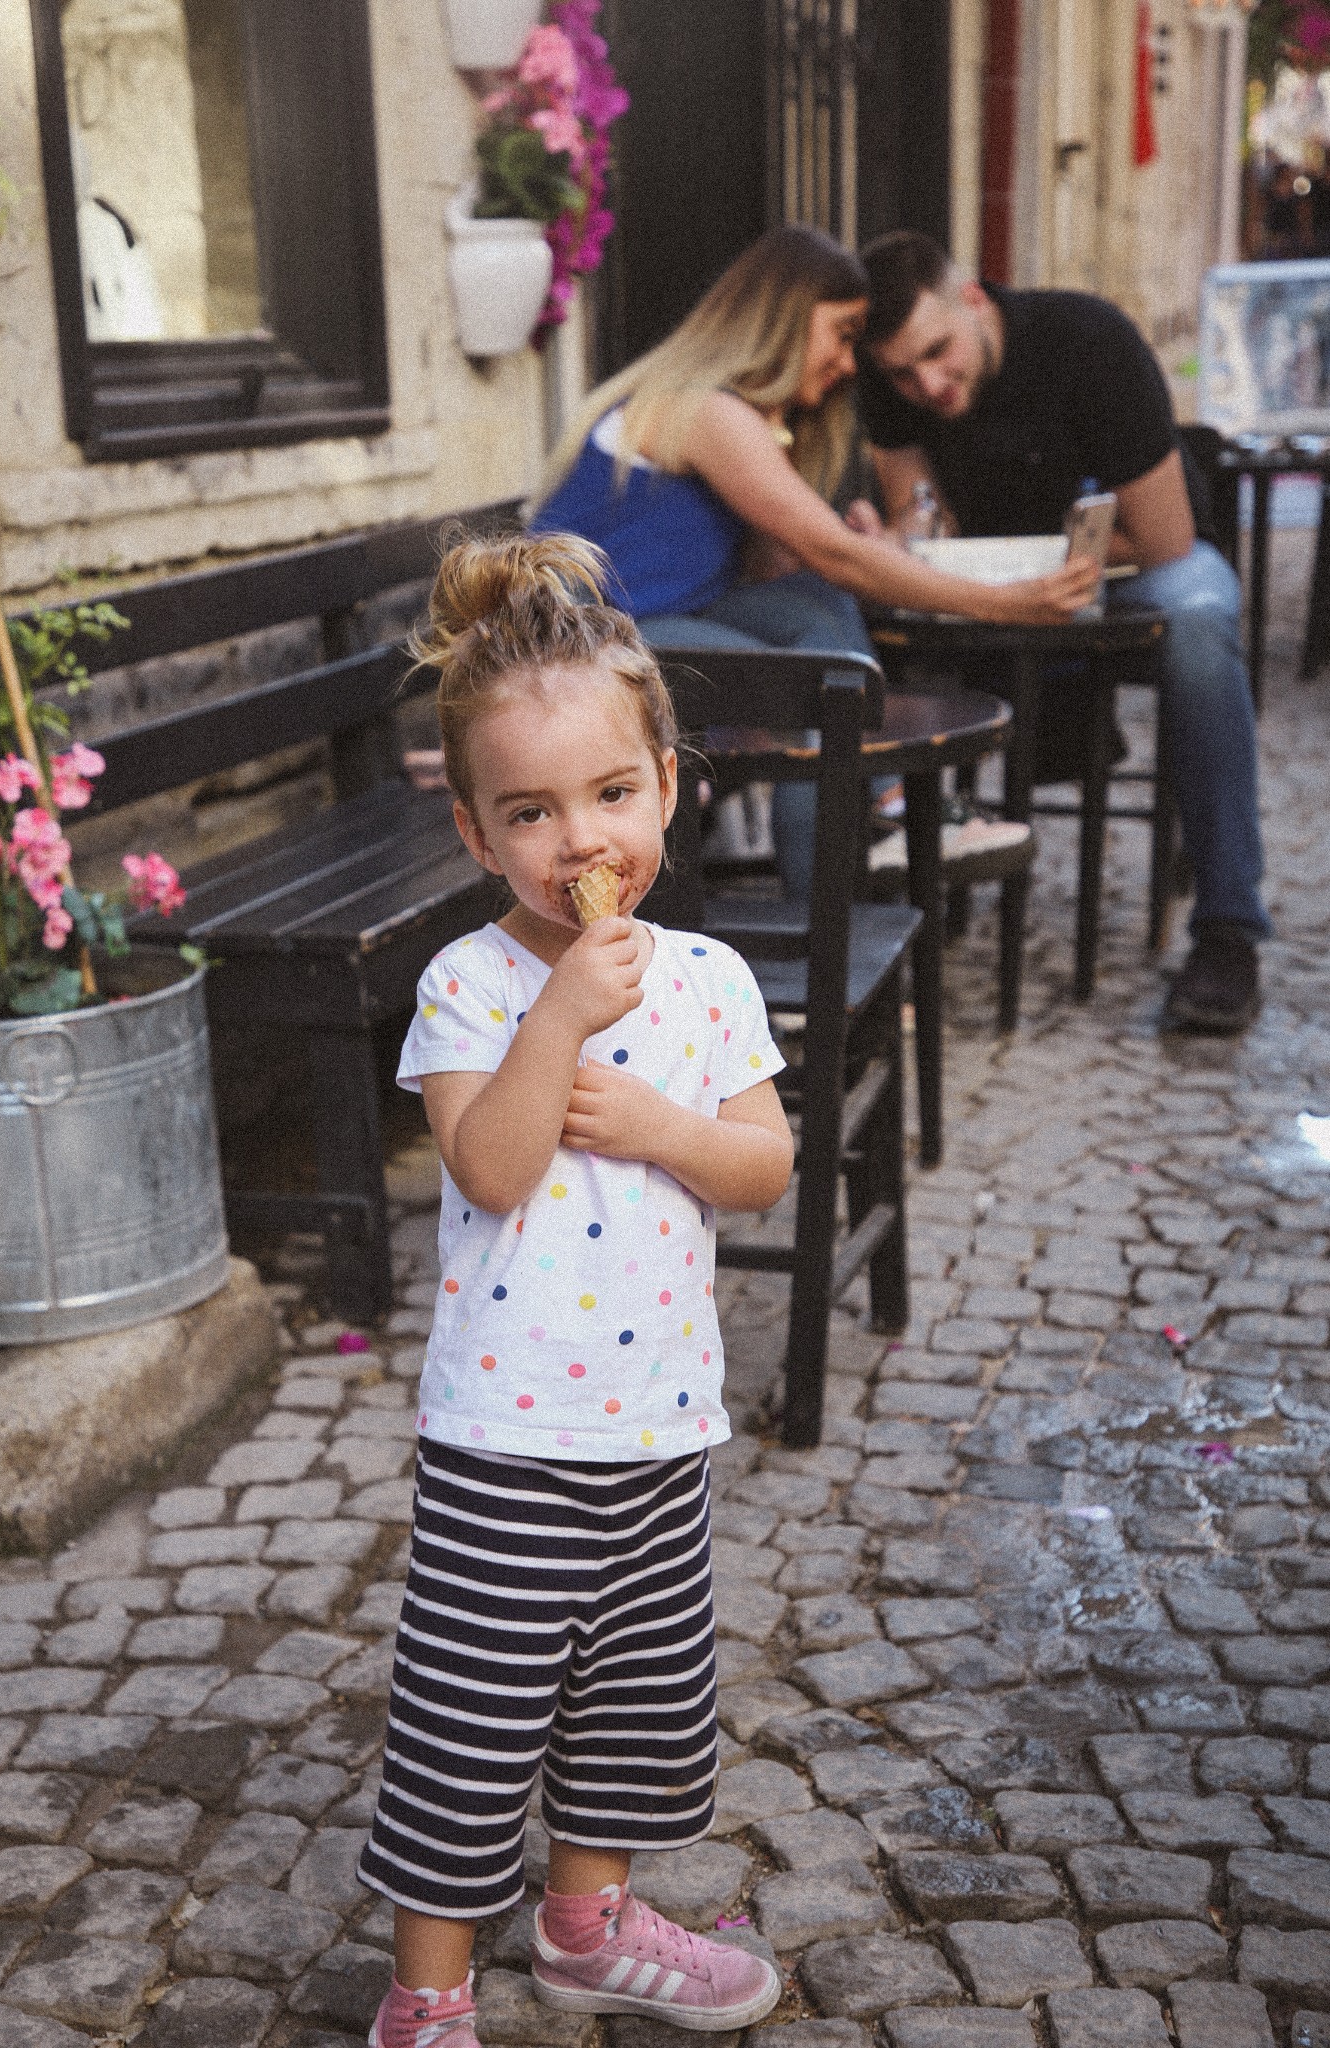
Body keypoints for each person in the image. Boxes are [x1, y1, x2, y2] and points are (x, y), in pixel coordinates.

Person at [359, 530, 796, 2048]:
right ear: (479, 837)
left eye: (611, 794)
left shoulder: (713, 983)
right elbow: (486, 1162)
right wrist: (558, 1020)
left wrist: (669, 1127)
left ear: (668, 784)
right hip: (506, 1442)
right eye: (530, 812)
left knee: (628, 1705)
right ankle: (427, 1996)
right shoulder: (472, 985)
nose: (577, 839)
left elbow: (761, 1166)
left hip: (657, 1428)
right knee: (468, 1725)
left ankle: (589, 1920)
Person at [531, 223, 1097, 901]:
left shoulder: (735, 415)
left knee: (816, 609)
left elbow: (792, 563)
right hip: (580, 646)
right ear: (786, 319)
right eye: (844, 333)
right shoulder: (706, 410)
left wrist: (849, 544)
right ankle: (822, 928)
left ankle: (879, 819)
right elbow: (835, 555)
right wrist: (1009, 602)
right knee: (810, 679)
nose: (850, 362)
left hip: (652, 617)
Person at [856, 231, 1272, 1034]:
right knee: (866, 616)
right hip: (986, 575)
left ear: (973, 298)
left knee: (1198, 624)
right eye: (904, 373)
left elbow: (1165, 538)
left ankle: (1227, 927)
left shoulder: (1087, 341)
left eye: (939, 353)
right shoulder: (894, 383)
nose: (928, 384)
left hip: (1134, 563)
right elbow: (918, 523)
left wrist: (1024, 570)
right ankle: (906, 871)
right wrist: (898, 542)